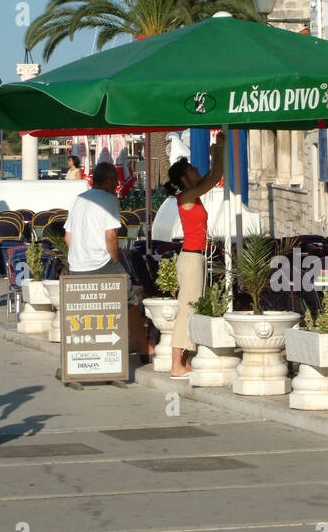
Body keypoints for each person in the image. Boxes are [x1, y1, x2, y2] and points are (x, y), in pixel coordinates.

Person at [63, 161, 151, 364]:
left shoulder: (79, 199)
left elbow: (69, 236)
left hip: (77, 264)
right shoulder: (108, 199)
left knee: (83, 309)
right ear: (109, 181)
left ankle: (79, 357)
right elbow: (111, 236)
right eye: (116, 181)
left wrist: (78, 255)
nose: (117, 186)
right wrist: (115, 259)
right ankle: (144, 348)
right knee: (130, 300)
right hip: (100, 262)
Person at [165, 131, 225, 378]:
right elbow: (212, 179)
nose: (195, 170)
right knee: (187, 308)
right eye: (191, 169)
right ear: (184, 177)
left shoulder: (192, 195)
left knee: (193, 306)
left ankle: (185, 361)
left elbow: (215, 176)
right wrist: (218, 150)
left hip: (196, 256)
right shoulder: (187, 196)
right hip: (191, 257)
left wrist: (218, 152)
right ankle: (176, 365)